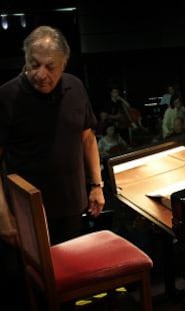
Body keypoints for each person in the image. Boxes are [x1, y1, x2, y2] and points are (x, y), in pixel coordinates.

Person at [0, 25, 105, 245]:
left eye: (50, 67)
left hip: (72, 207)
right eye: (34, 64)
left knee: (72, 270)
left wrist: (96, 185)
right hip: (28, 212)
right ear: (26, 59)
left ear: (64, 64)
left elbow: (87, 138)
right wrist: (3, 216)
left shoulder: (75, 87)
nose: (40, 74)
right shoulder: (6, 96)